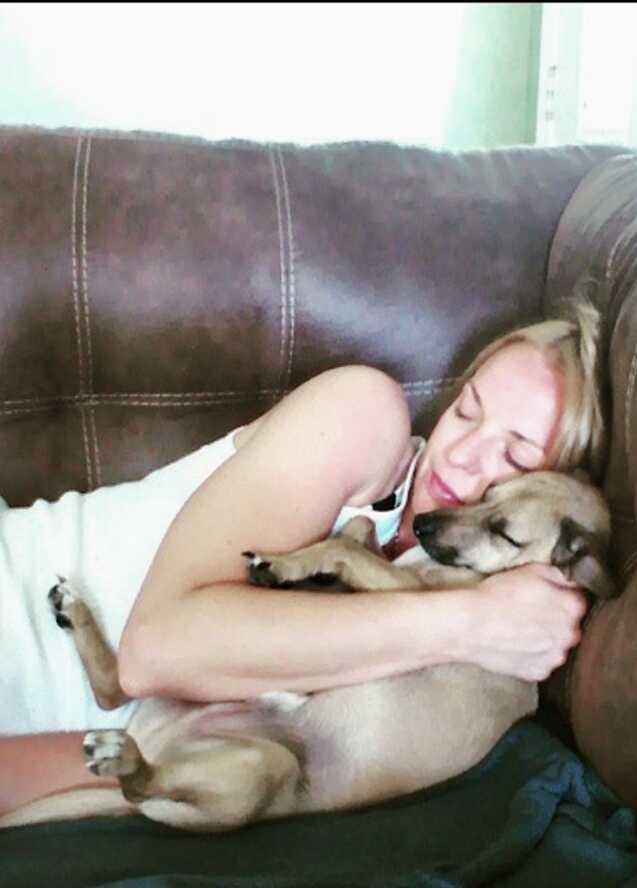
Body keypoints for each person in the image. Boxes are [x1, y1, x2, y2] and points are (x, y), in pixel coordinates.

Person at [0, 298, 605, 817]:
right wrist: (474, 623)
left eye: (516, 458)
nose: (463, 453)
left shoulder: (465, 650)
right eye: (466, 409)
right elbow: (151, 654)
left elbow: (129, 753)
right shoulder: (366, 419)